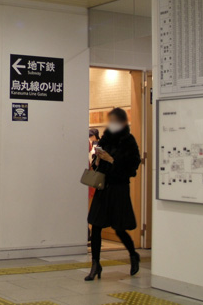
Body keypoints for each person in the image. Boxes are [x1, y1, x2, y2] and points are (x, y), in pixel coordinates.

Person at [86, 108, 141, 281]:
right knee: (96, 225)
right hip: (104, 186)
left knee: (119, 228)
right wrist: (98, 159)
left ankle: (133, 254)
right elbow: (96, 163)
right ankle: (95, 264)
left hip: (119, 188)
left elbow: (133, 166)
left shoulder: (128, 141)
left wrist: (112, 160)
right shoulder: (105, 138)